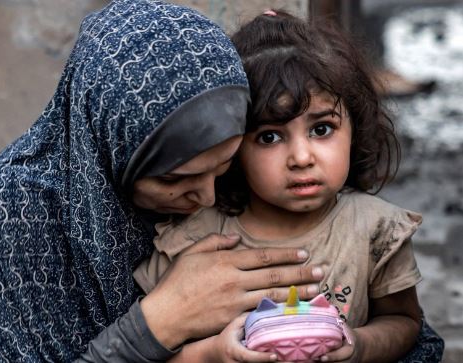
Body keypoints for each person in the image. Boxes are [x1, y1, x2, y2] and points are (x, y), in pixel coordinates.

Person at [0, 2, 326, 362]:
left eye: (223, 166)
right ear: (109, 148)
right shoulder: (15, 212)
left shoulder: (254, 182)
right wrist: (163, 320)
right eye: (175, 178)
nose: (208, 196)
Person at [133, 9, 445, 363]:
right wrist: (213, 355)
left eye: (322, 129)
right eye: (269, 137)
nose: (301, 157)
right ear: (233, 146)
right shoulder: (196, 240)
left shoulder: (376, 231)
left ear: (354, 128)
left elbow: (404, 321)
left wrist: (359, 346)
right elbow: (154, 349)